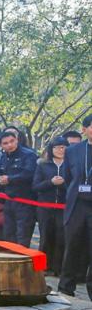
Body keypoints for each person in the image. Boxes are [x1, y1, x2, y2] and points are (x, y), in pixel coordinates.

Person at [58, 114, 92, 297]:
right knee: (72, 245)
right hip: (77, 204)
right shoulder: (73, 150)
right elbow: (68, 177)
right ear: (85, 129)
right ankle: (65, 286)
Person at [0, 130, 37, 247]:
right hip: (8, 200)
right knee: (8, 234)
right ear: (1, 145)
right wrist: (0, 179)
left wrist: (10, 178)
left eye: (12, 141)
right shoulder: (2, 156)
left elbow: (30, 173)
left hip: (25, 201)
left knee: (23, 235)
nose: (9, 145)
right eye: (5, 143)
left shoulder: (29, 154)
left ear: (17, 140)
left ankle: (23, 262)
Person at [32, 137, 68, 276]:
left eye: (63, 147)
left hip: (64, 207)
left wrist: (63, 184)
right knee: (45, 236)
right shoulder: (43, 165)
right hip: (45, 207)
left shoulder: (70, 165)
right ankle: (42, 267)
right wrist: (51, 182)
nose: (60, 150)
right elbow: (35, 186)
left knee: (61, 237)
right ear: (51, 149)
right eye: (57, 147)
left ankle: (58, 268)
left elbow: (75, 185)